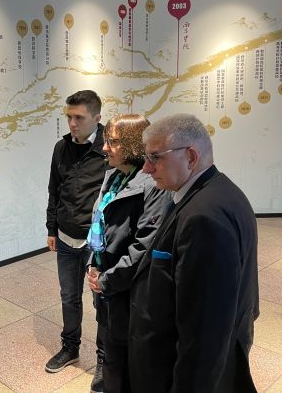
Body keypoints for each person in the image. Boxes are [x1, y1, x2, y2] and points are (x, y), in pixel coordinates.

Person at [128, 113, 259, 393]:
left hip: (175, 371)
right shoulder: (220, 192)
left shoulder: (204, 218)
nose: (146, 169)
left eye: (154, 157)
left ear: (190, 156)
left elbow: (205, 332)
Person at [85, 114, 172, 393]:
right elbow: (98, 225)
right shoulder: (114, 176)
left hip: (128, 290)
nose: (105, 148)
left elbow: (144, 247)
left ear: (134, 144)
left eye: (113, 142)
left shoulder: (152, 185)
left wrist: (106, 280)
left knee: (128, 361)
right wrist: (92, 264)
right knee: (111, 349)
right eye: (106, 141)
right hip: (107, 283)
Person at [45, 89, 109, 387]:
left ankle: (104, 358)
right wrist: (51, 228)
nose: (72, 123)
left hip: (97, 241)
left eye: (79, 118)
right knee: (69, 296)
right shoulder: (61, 148)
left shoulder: (109, 149)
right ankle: (70, 347)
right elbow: (54, 190)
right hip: (66, 236)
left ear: (97, 117)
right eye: (69, 117)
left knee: (101, 300)